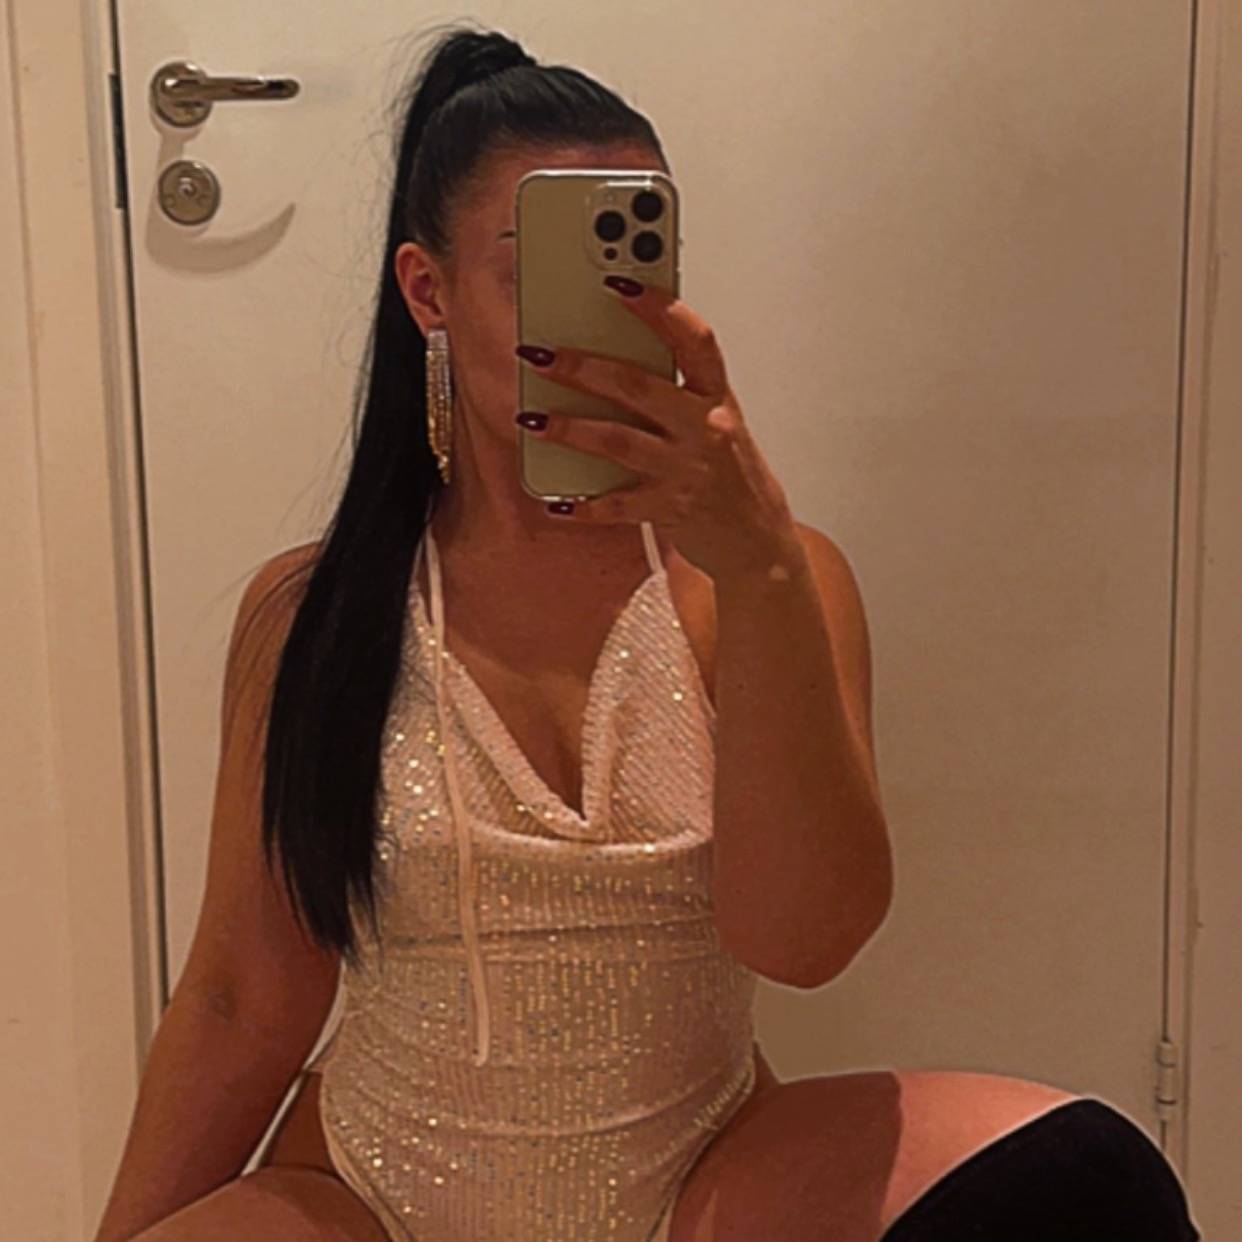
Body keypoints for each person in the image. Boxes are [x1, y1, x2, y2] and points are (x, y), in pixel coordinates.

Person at [94, 21, 1203, 1242]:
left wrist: (761, 567)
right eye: (542, 271)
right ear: (429, 293)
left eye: (630, 268)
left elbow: (808, 940)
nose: (595, 319)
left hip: (704, 1179)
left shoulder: (763, 582)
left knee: (1092, 1187)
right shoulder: (318, 612)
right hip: (377, 1190)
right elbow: (243, 999)